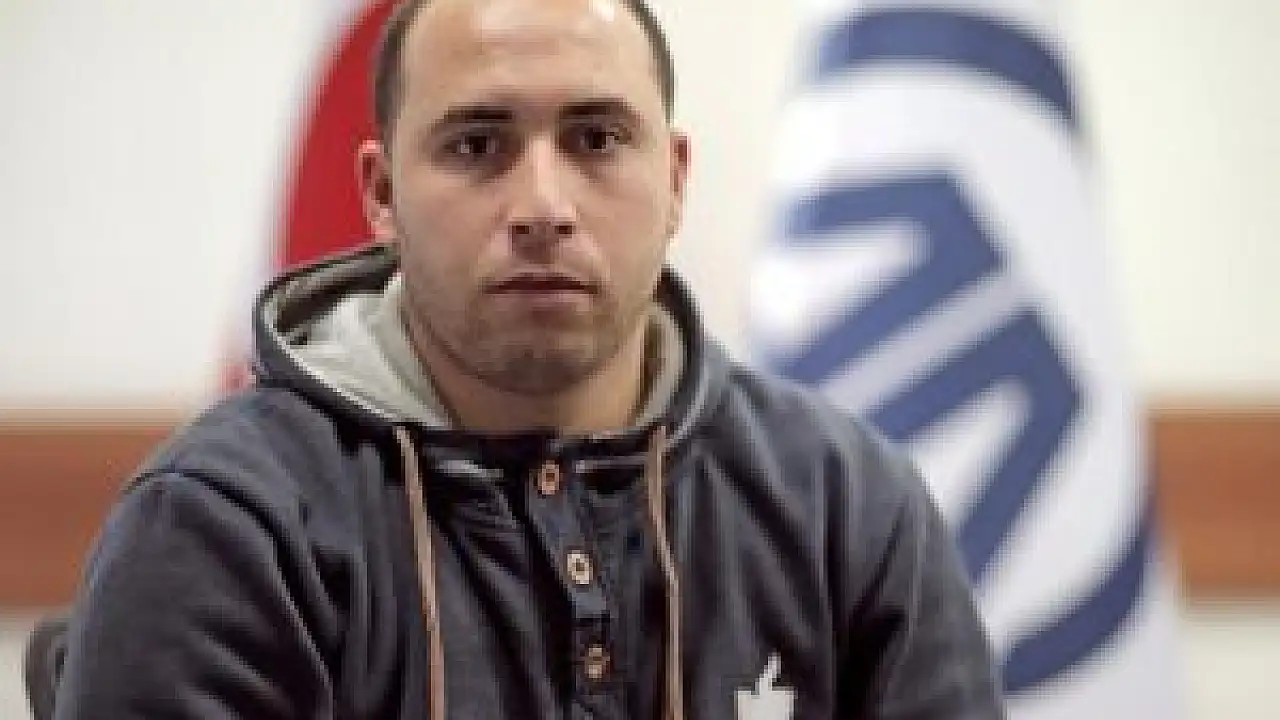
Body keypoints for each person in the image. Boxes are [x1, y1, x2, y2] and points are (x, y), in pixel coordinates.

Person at [45, 0, 1004, 717]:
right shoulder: (225, 524)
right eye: (476, 145)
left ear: (674, 180)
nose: (543, 205)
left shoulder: (845, 502)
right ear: (381, 194)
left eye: (597, 139)